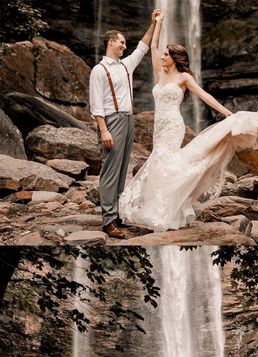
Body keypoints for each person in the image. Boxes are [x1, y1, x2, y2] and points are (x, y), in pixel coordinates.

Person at [119, 11, 258, 232]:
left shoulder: (184, 78)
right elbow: (154, 45)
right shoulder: (160, 73)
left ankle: (164, 210)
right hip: (159, 126)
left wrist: (226, 113)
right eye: (164, 54)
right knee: (160, 164)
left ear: (175, 58)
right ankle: (163, 207)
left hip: (173, 125)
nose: (162, 57)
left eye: (167, 55)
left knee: (164, 162)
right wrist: (157, 23)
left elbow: (205, 96)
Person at [89, 12, 159, 239]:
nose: (124, 46)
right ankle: (108, 222)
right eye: (121, 42)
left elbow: (143, 47)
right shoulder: (99, 70)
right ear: (111, 42)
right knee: (110, 172)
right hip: (112, 121)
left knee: (121, 172)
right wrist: (104, 130)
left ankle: (116, 215)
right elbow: (96, 105)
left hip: (129, 120)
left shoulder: (126, 65)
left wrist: (152, 23)